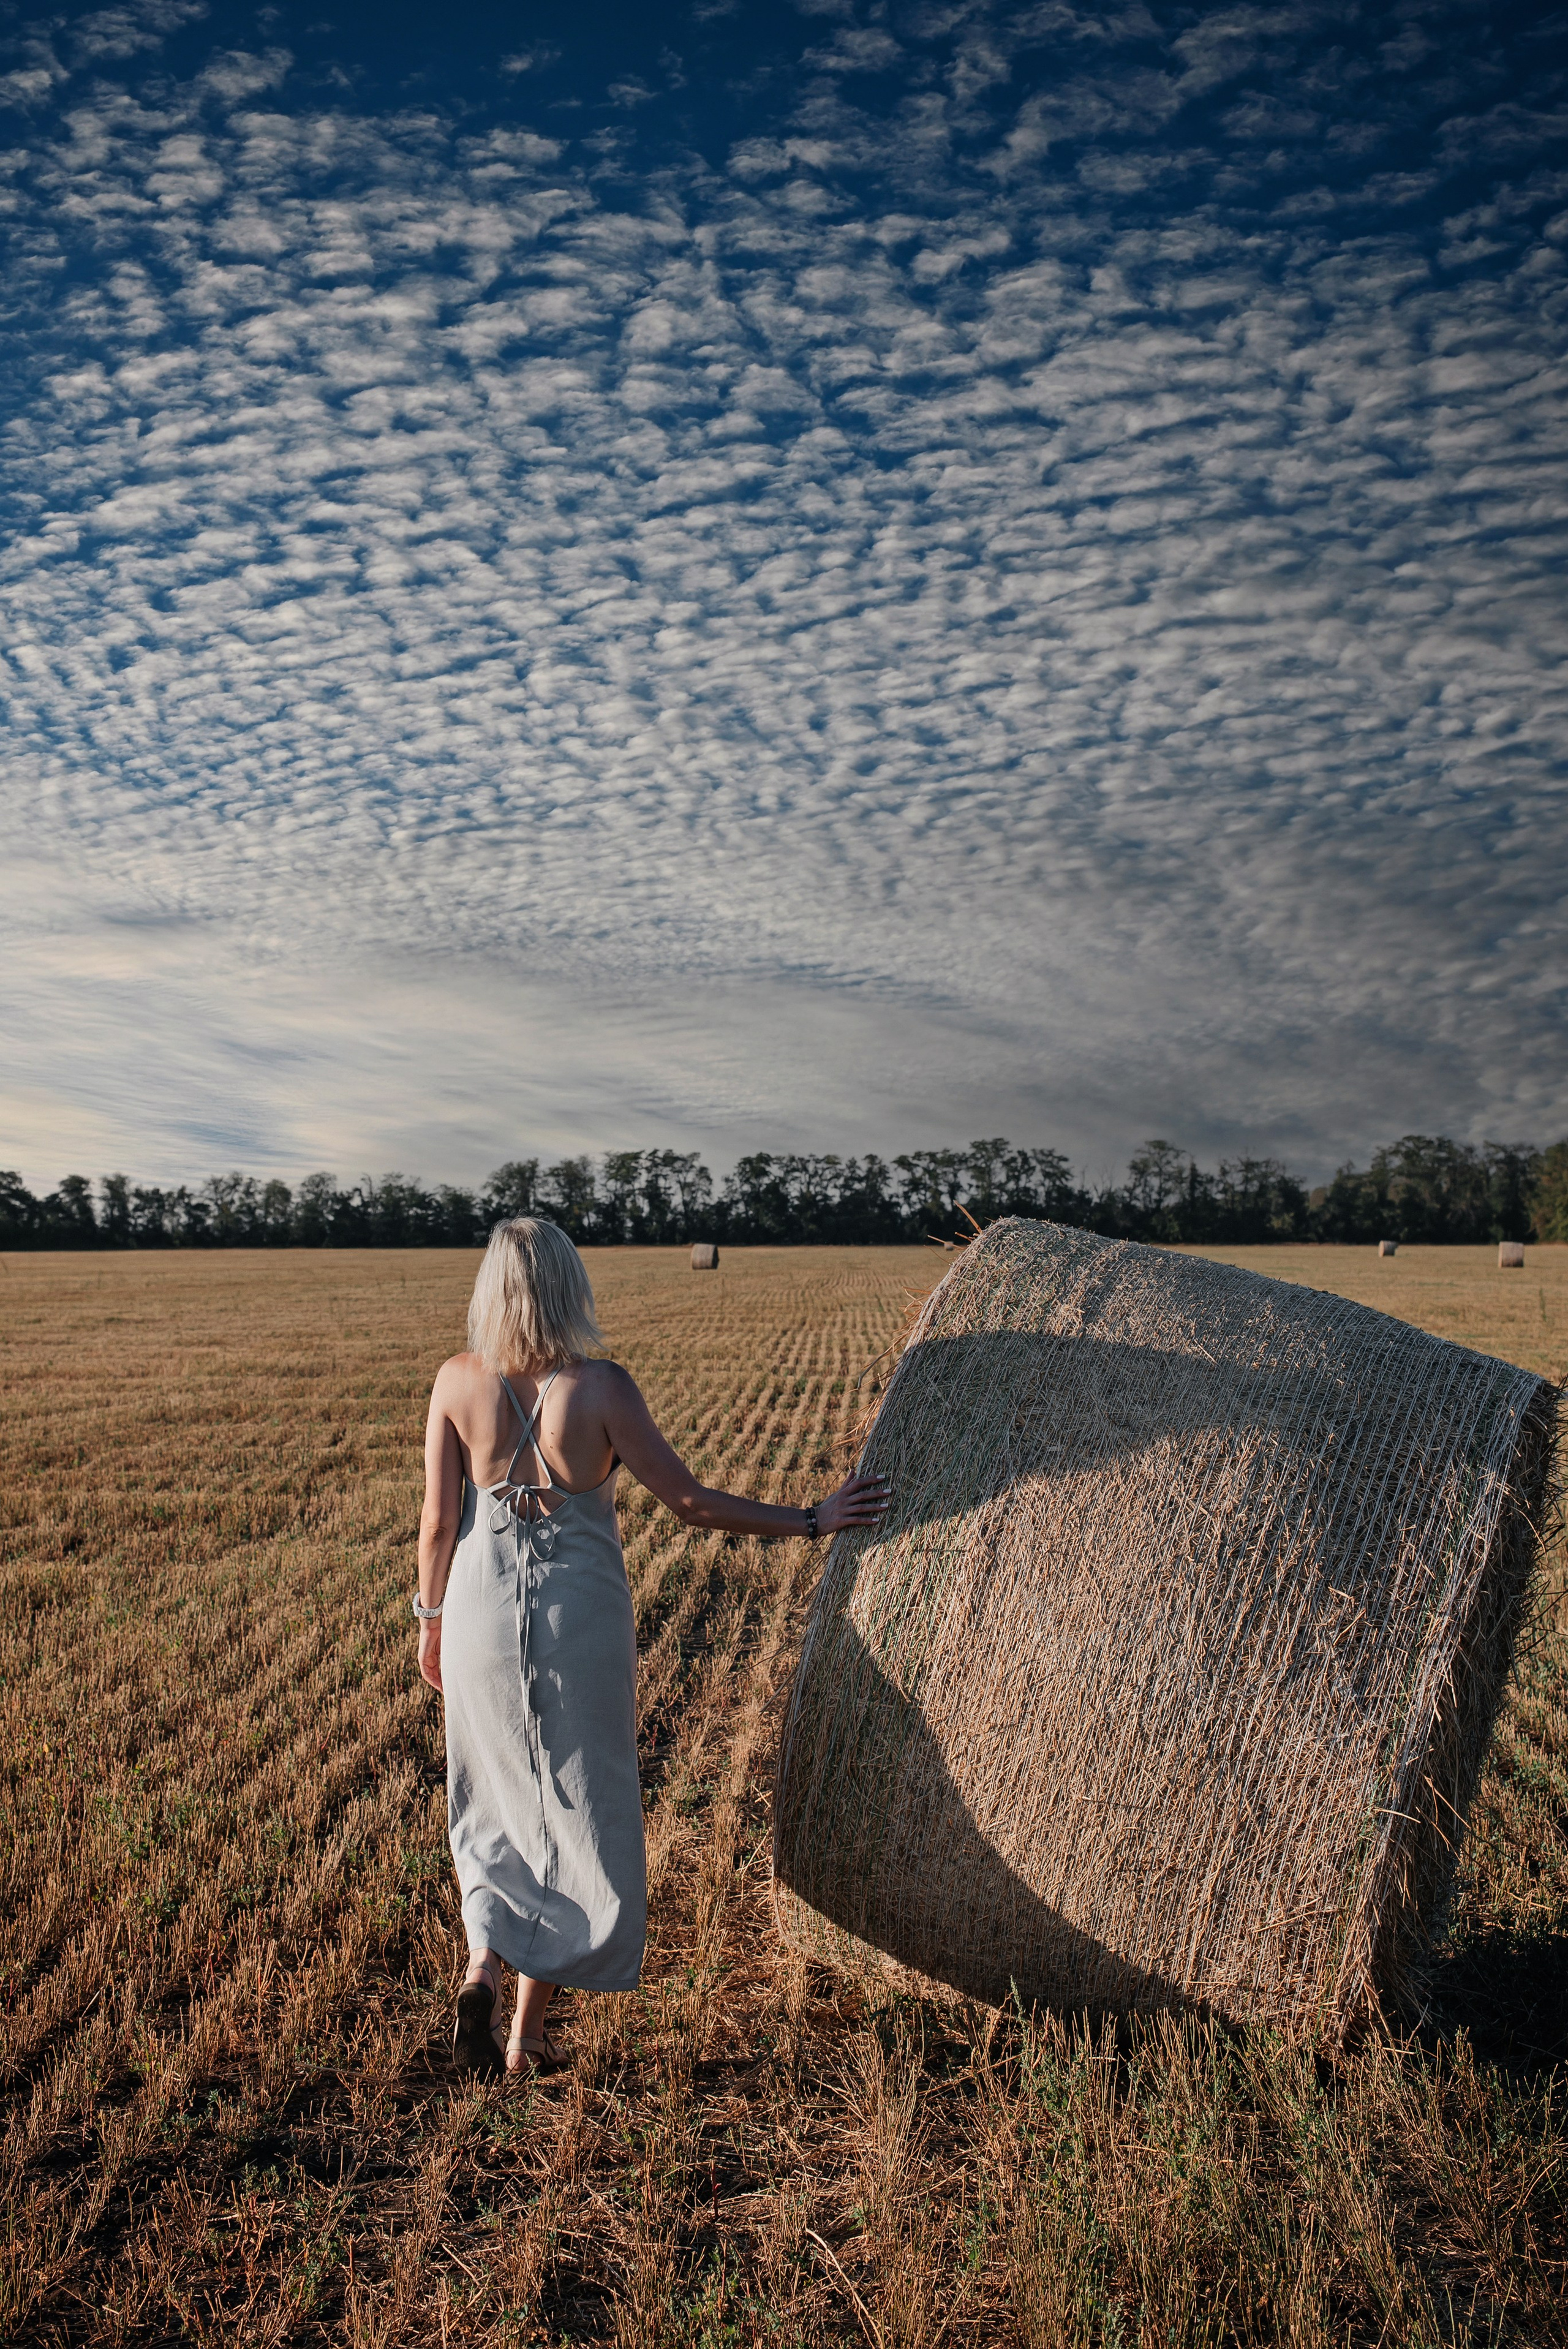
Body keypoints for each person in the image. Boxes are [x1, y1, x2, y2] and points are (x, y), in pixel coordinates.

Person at [413, 1216, 891, 2078]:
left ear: (490, 1289)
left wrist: (431, 1619)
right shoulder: (599, 1389)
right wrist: (813, 1518)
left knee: (491, 1799)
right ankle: (526, 2034)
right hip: (577, 1622)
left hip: (479, 1611)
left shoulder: (455, 1381)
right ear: (568, 1286)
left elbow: (441, 1521)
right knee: (575, 1809)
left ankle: (484, 1965)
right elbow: (692, 1504)